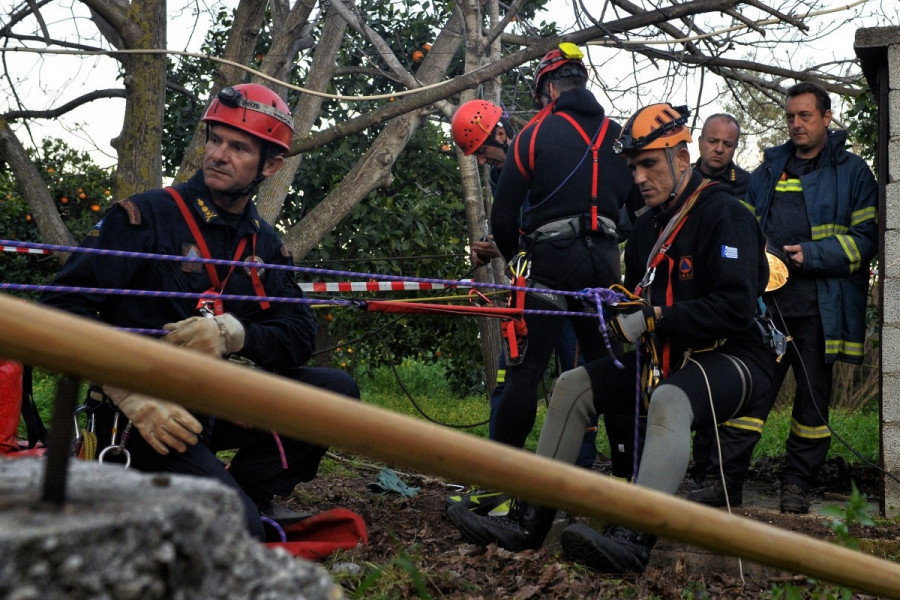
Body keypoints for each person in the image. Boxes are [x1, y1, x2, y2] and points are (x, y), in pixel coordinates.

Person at [447, 102, 775, 574]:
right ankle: (527, 522)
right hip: (670, 356)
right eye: (634, 167)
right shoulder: (646, 228)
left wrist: (656, 318)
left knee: (669, 400)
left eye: (650, 164)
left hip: (739, 358)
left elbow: (735, 308)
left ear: (681, 158)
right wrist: (625, 310)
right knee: (573, 385)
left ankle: (633, 537)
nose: (639, 178)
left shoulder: (726, 215)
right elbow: (640, 296)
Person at [40, 83, 360, 540]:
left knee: (336, 389)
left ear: (270, 166)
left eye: (238, 147)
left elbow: (298, 334)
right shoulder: (145, 217)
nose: (217, 155)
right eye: (215, 140)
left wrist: (233, 333)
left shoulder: (263, 243)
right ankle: (230, 506)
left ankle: (251, 491)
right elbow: (58, 311)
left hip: (214, 401)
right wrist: (125, 387)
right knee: (235, 529)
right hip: (148, 416)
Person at [688, 82, 877, 513]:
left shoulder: (853, 173)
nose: (796, 124)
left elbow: (866, 240)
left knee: (812, 405)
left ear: (827, 118)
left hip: (821, 312)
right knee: (746, 397)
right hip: (766, 312)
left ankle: (796, 485)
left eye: (805, 116)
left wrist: (810, 254)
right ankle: (724, 481)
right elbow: (744, 227)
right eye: (791, 116)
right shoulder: (769, 170)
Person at [486, 43, 644, 486]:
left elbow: (503, 215)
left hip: (551, 265)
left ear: (549, 89)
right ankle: (625, 486)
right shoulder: (619, 137)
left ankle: (501, 486)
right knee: (610, 370)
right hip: (606, 267)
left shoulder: (534, 136)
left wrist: (519, 258)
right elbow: (638, 211)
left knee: (526, 369)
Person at [446, 99, 592, 517]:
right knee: (510, 382)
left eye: (483, 151)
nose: (483, 160)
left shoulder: (549, 160)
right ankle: (500, 480)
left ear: (503, 134)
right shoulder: (500, 174)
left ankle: (577, 486)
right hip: (530, 289)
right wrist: (498, 248)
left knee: (575, 379)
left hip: (570, 287)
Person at [687, 113, 751, 487]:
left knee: (714, 386)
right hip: (685, 292)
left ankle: (709, 470)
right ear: (700, 142)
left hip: (725, 297)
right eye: (713, 141)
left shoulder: (747, 185)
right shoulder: (682, 181)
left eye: (727, 144)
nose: (719, 150)